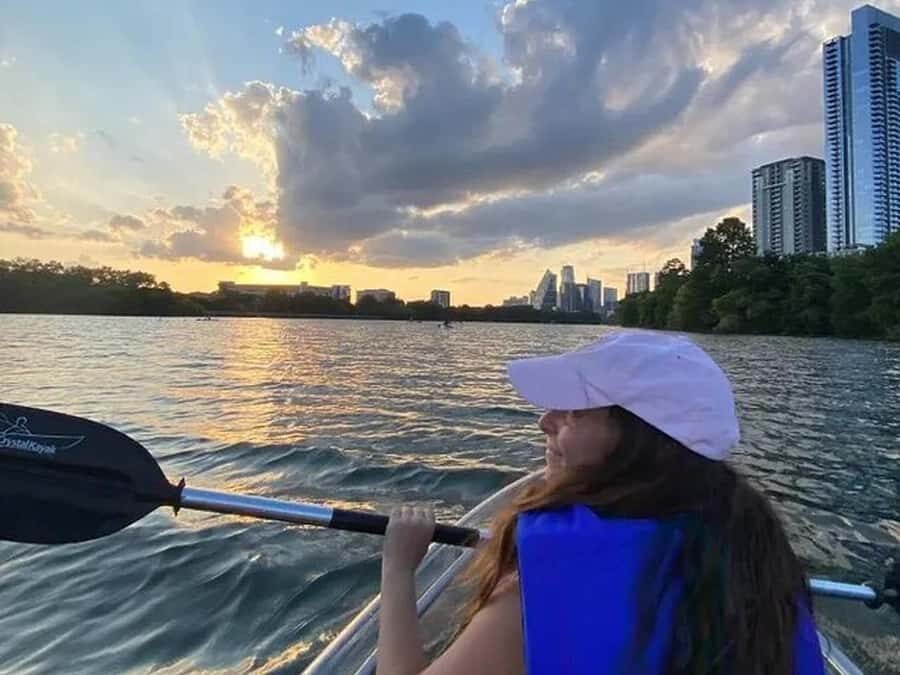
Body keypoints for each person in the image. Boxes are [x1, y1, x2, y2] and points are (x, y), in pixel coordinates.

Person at [376, 331, 826, 675]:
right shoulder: (754, 546)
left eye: (574, 411)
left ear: (638, 439)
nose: (544, 421)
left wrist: (399, 568)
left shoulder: (564, 560)